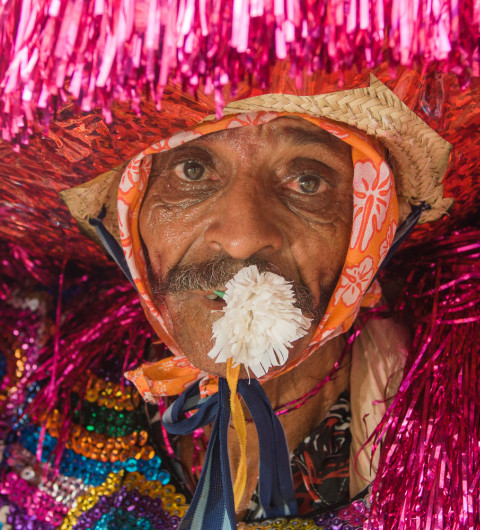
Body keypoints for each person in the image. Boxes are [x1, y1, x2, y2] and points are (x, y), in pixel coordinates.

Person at [60, 76, 452, 528]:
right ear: (130, 219)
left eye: (308, 181)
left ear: (371, 228)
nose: (242, 239)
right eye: (192, 170)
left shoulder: (460, 427)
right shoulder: (38, 396)